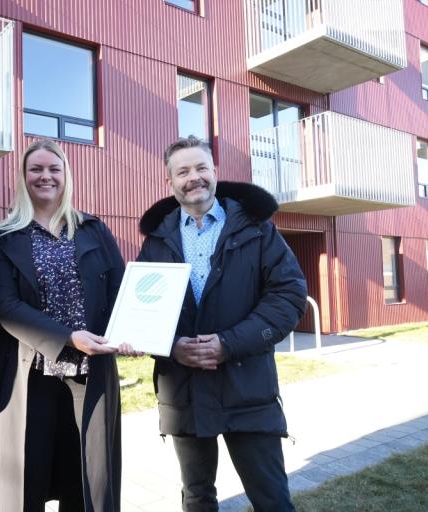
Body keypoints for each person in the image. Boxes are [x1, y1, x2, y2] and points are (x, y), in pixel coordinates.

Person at [136, 136, 307, 512]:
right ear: (169, 181)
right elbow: (143, 312)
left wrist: (229, 343)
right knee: (197, 497)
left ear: (215, 172)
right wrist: (173, 347)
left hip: (247, 387)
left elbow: (288, 296)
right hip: (185, 391)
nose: (193, 178)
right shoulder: (157, 241)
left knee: (272, 498)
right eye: (183, 171)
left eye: (201, 168)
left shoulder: (257, 229)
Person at [0, 139, 130, 512]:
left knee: (88, 479)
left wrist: (128, 334)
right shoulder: (5, 236)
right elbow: (5, 306)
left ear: (66, 175)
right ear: (24, 177)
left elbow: (121, 292)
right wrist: (68, 338)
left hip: (90, 373)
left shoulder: (93, 229)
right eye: (36, 169)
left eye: (54, 169)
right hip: (29, 375)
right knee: (27, 479)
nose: (46, 176)